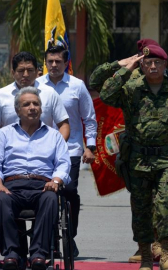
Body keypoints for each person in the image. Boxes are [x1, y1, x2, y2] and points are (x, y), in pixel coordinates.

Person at [99, 44, 168, 270]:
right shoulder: (131, 88)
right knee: (141, 209)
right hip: (138, 159)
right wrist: (124, 69)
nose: (153, 66)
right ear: (142, 65)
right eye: (148, 63)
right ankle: (146, 256)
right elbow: (105, 93)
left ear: (165, 65)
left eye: (158, 62)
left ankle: (166, 254)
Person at [89, 38, 165, 263]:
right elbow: (96, 82)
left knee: (162, 200)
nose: (148, 63)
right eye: (142, 57)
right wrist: (118, 65)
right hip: (134, 150)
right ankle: (143, 245)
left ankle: (159, 243)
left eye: (151, 58)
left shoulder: (161, 78)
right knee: (140, 202)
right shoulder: (128, 77)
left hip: (161, 150)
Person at [0, 87, 71, 270]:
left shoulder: (54, 135)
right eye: (27, 104)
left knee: (50, 199)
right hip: (12, 184)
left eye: (36, 104)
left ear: (41, 108)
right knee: (0, 199)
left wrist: (55, 181)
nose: (32, 107)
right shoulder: (4, 134)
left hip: (43, 185)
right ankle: (12, 253)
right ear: (18, 110)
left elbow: (64, 163)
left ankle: (39, 254)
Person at [37, 45, 98, 257]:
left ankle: (69, 236)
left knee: (69, 191)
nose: (54, 65)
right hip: (40, 151)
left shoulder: (77, 86)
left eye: (58, 62)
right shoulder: (36, 85)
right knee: (43, 194)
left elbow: (89, 119)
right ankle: (48, 238)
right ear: (45, 62)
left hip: (70, 149)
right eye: (50, 61)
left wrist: (90, 146)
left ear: (66, 63)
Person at [0, 51, 70, 142]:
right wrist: (1, 148)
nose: (25, 74)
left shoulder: (50, 93)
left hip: (44, 153)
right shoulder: (2, 95)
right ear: (13, 72)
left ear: (37, 71)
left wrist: (56, 147)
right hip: (11, 153)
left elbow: (64, 125)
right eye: (21, 71)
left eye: (30, 70)